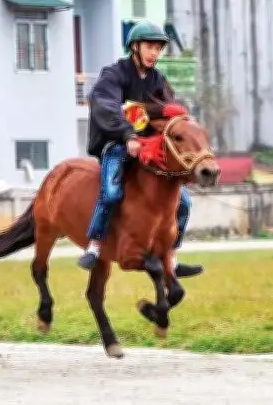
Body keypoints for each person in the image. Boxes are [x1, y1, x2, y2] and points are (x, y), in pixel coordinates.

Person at [77, 20, 203, 278]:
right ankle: (95, 246)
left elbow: (165, 110)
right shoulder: (113, 74)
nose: (154, 53)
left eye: (158, 48)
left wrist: (174, 114)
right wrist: (128, 136)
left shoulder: (158, 79)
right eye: (149, 46)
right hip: (118, 144)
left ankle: (172, 258)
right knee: (111, 193)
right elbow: (106, 107)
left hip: (150, 149)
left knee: (185, 202)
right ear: (134, 47)